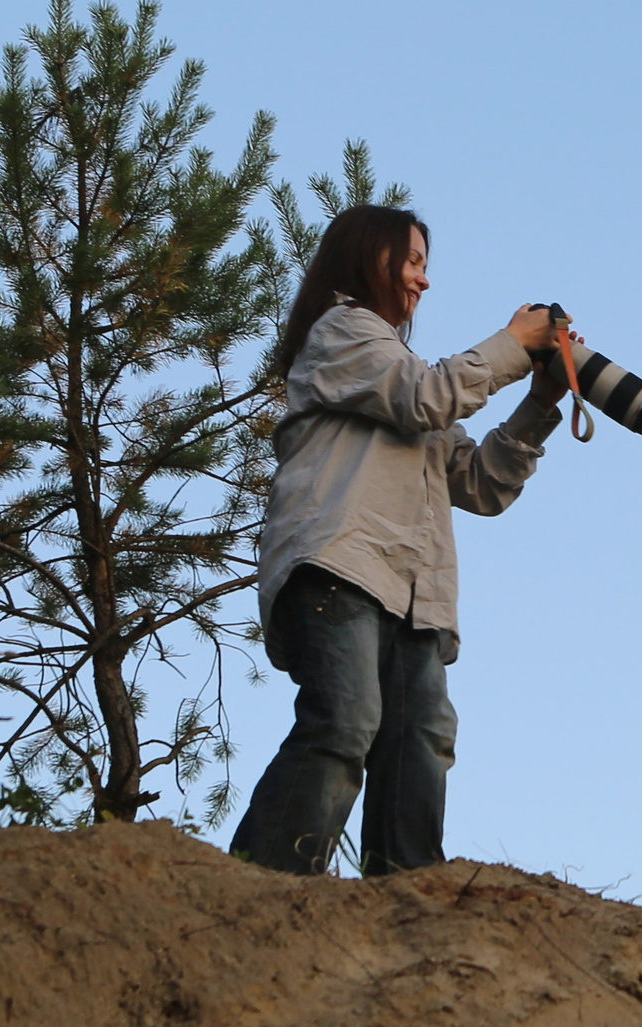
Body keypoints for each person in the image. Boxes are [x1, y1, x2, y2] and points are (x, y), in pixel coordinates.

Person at [230, 205, 565, 875]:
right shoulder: (343, 332)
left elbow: (481, 482)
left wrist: (540, 403)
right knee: (346, 720)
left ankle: (407, 896)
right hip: (342, 564)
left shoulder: (402, 367)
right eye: (413, 262)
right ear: (369, 259)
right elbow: (427, 397)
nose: (424, 281)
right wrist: (512, 341)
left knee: (421, 737)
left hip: (412, 591)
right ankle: (262, 885)